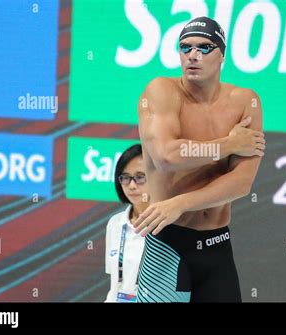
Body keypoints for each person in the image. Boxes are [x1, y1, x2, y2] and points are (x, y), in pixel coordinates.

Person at [133, 16, 265, 302]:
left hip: (217, 245)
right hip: (168, 244)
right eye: (185, 47)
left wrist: (182, 202)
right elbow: (167, 155)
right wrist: (228, 144)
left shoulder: (246, 101)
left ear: (222, 55)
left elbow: (242, 182)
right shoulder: (162, 92)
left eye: (204, 48)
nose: (192, 55)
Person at [105, 144, 149, 302]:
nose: (131, 185)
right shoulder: (115, 224)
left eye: (140, 177)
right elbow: (115, 285)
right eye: (125, 177)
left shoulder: (170, 225)